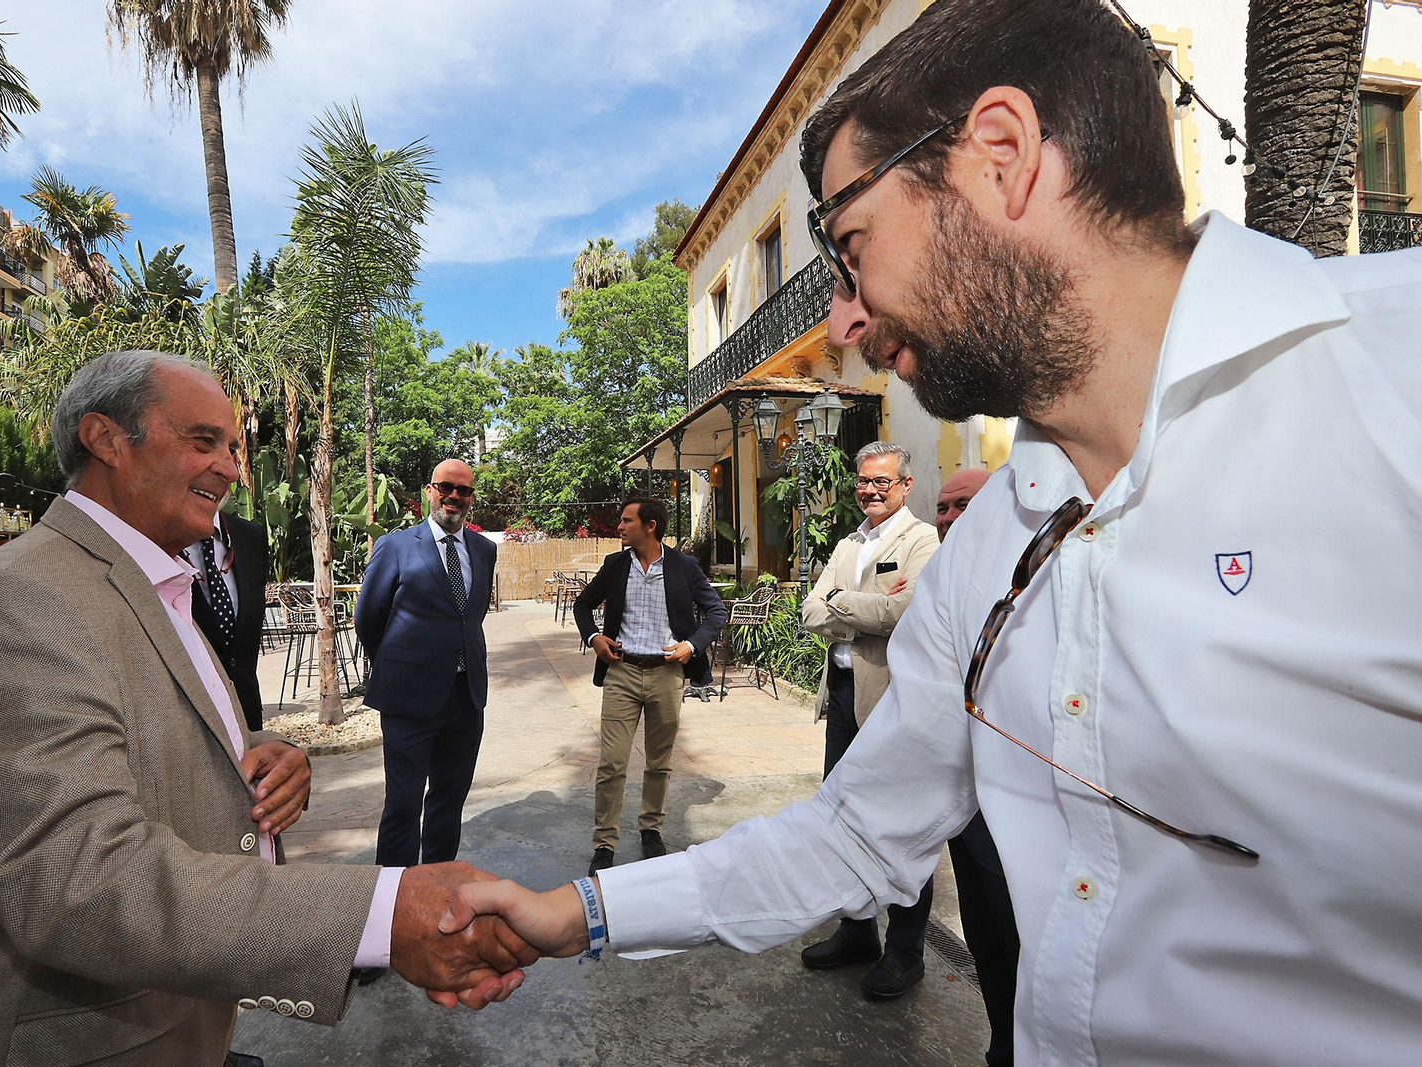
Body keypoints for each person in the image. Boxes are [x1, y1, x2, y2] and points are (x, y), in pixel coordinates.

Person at [438, 2, 1422, 1063]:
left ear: (999, 156)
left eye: (850, 245)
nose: (848, 322)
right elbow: (857, 832)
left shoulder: (1392, 381)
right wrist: (573, 913)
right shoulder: (994, 540)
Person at [0, 352, 532, 1067]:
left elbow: (146, 723)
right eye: (203, 441)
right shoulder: (19, 597)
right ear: (106, 439)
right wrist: (382, 915)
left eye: (233, 447)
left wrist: (260, 750)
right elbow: (75, 881)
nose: (231, 468)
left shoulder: (157, 581)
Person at [798, 441, 938, 999]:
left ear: (905, 485)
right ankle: (858, 931)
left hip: (889, 701)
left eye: (883, 481)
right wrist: (861, 605)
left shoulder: (923, 539)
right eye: (863, 480)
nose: (871, 490)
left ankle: (906, 950)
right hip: (840, 697)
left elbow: (907, 614)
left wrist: (840, 601)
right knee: (844, 818)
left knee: (903, 823)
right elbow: (809, 612)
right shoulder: (849, 542)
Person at [572, 496, 727, 876]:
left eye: (627, 521)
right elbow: (582, 605)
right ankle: (605, 843)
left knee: (659, 763)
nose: (620, 527)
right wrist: (594, 637)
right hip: (622, 672)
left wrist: (690, 646)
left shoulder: (683, 566)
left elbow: (716, 611)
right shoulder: (614, 565)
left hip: (667, 674)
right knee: (611, 762)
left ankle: (651, 831)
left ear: (650, 526)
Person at [355, 459, 497, 870]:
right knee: (403, 803)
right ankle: (394, 897)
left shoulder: (484, 550)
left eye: (464, 490)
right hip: (408, 700)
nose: (454, 496)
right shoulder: (396, 546)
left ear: (471, 498)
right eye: (446, 487)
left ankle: (437, 883)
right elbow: (369, 618)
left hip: (466, 696)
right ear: (429, 491)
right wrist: (404, 665)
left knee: (449, 800)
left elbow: (468, 617)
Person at [937, 466, 1023, 1067]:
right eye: (941, 508)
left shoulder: (1034, 579)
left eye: (961, 504)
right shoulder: (943, 579)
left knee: (1023, 942)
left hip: (1022, 810)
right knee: (986, 938)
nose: (945, 519)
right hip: (965, 809)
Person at [187, 506, 270, 731]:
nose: (226, 473)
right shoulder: (149, 537)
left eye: (233, 467)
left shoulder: (251, 537)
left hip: (246, 716)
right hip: (187, 726)